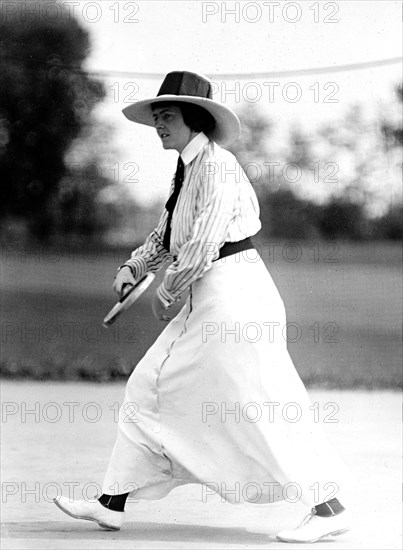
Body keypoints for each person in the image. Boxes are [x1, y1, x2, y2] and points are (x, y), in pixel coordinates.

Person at [54, 71, 351, 543]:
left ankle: (329, 508)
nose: (159, 125)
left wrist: (168, 291)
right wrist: (135, 266)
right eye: (156, 118)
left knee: (260, 403)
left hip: (237, 297)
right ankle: (112, 503)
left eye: (167, 116)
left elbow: (206, 239)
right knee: (148, 385)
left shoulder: (216, 166)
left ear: (194, 118)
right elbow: (168, 233)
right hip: (210, 296)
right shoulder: (188, 169)